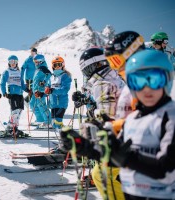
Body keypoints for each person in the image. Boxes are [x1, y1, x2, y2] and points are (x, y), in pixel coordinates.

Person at [60, 49, 175, 199]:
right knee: (100, 173)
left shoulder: (170, 118)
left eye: (155, 79)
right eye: (137, 81)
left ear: (168, 79)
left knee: (101, 174)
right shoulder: (133, 120)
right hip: (133, 192)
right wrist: (87, 148)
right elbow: (112, 153)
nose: (146, 89)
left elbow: (166, 171)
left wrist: (124, 157)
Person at [72, 47, 125, 200]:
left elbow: (107, 115)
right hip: (130, 130)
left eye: (87, 70)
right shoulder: (114, 76)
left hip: (120, 135)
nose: (86, 74)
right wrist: (86, 99)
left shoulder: (101, 83)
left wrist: (92, 117)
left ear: (94, 66)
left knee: (101, 173)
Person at [104, 31, 145, 134]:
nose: (114, 68)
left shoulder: (149, 86)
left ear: (132, 55)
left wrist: (115, 126)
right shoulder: (130, 86)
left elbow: (149, 121)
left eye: (115, 61)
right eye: (110, 63)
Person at [0, 55, 30, 138]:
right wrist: (4, 92)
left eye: (14, 62)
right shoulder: (7, 71)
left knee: (19, 111)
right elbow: (2, 83)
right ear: (9, 63)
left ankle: (15, 127)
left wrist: (27, 89)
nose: (13, 63)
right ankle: (10, 128)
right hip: (12, 95)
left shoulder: (19, 72)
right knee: (15, 111)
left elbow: (21, 83)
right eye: (11, 62)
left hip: (20, 94)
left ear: (17, 63)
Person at [44, 56, 71, 131]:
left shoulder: (65, 76)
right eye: (55, 65)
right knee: (53, 123)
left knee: (58, 122)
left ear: (63, 65)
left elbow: (65, 89)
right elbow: (48, 87)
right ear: (53, 66)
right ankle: (60, 133)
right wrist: (44, 92)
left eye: (59, 64)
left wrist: (53, 90)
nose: (57, 67)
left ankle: (62, 135)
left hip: (61, 103)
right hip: (53, 103)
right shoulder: (51, 77)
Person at [21, 48, 44, 126]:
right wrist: (21, 78)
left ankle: (28, 101)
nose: (33, 54)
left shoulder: (37, 59)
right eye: (32, 52)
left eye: (35, 52)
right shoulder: (28, 60)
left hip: (36, 79)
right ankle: (28, 101)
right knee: (32, 92)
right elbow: (23, 68)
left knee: (35, 94)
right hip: (29, 79)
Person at [32, 54, 52, 129]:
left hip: (41, 90)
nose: (35, 63)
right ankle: (41, 120)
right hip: (36, 91)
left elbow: (49, 74)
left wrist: (44, 82)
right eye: (35, 62)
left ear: (41, 61)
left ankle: (49, 122)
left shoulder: (43, 67)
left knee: (42, 106)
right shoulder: (38, 69)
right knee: (35, 105)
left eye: (37, 62)